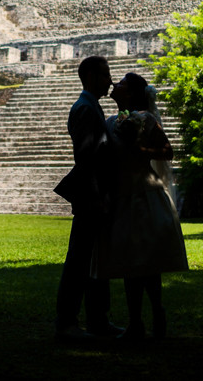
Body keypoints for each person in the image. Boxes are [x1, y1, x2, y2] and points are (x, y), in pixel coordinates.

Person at [94, 72, 188, 341]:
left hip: (143, 194)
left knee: (146, 260)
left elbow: (167, 152)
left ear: (132, 93)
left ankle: (157, 312)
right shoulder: (111, 120)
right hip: (121, 195)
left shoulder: (145, 119)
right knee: (128, 260)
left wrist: (140, 150)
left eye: (122, 83)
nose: (115, 84)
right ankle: (135, 322)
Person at [53, 55, 122, 342]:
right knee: (80, 261)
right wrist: (95, 196)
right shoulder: (85, 109)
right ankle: (67, 322)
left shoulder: (91, 107)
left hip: (97, 195)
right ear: (92, 76)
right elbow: (86, 158)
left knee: (95, 260)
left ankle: (97, 320)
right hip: (90, 198)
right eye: (106, 74)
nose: (110, 80)